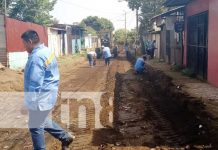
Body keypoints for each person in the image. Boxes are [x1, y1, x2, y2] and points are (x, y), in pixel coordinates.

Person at [21, 30, 73, 150]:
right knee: (41, 120)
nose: (24, 47)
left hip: (40, 98)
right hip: (49, 94)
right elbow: (53, 73)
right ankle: (65, 136)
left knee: (35, 126)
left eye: (24, 44)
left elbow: (35, 84)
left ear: (29, 41)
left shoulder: (36, 58)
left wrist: (28, 103)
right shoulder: (47, 51)